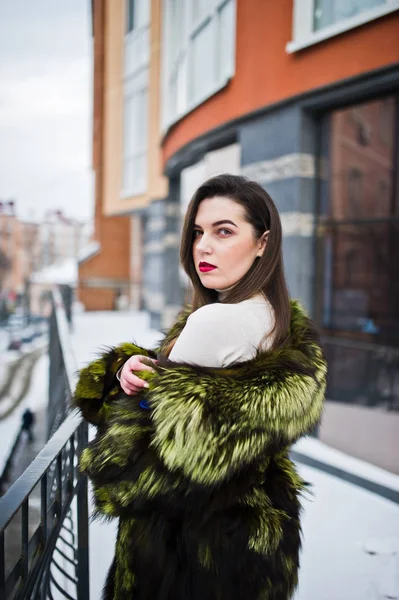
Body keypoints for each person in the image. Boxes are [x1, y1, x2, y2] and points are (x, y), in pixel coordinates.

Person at [73, 174, 327, 600]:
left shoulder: (215, 320)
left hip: (183, 557)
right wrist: (131, 369)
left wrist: (117, 394)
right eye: (198, 232)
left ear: (264, 242)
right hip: (253, 543)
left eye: (223, 231)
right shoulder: (275, 318)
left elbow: (127, 472)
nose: (203, 246)